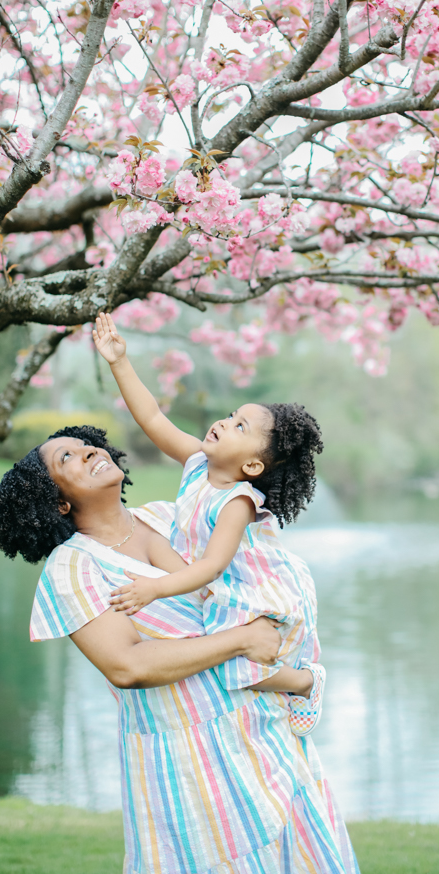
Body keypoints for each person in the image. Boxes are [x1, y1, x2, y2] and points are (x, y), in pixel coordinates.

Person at [0, 424, 359, 874]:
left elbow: (242, 582)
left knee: (299, 856)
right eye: (65, 458)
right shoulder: (72, 568)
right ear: (59, 502)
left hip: (260, 730)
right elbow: (127, 666)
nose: (86, 451)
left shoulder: (168, 516)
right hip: (184, 757)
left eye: (84, 445)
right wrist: (240, 639)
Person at [93, 312, 325, 736]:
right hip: (210, 579)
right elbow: (153, 419)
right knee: (213, 658)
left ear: (252, 465)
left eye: (239, 426)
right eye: (232, 414)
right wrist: (119, 362)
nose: (223, 421)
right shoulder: (198, 462)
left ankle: (306, 681)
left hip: (246, 586)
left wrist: (154, 589)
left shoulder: (237, 501)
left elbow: (214, 566)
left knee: (234, 669)